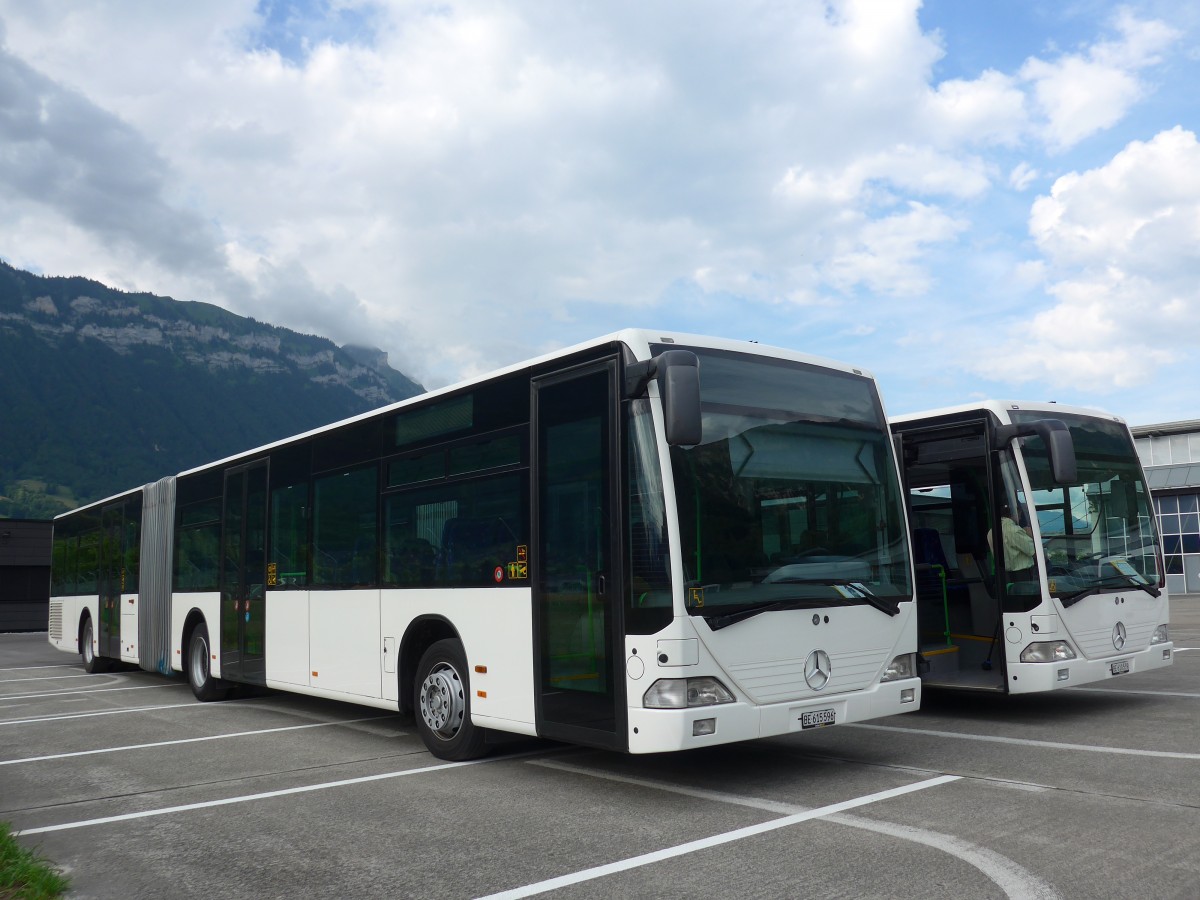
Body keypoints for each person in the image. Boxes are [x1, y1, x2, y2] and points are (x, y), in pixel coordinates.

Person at [988, 502, 1035, 571]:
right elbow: (1033, 551)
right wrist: (1030, 535)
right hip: (1022, 573)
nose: (1020, 517)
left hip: (1004, 573)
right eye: (1020, 514)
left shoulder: (991, 531)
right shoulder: (1015, 530)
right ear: (1015, 513)